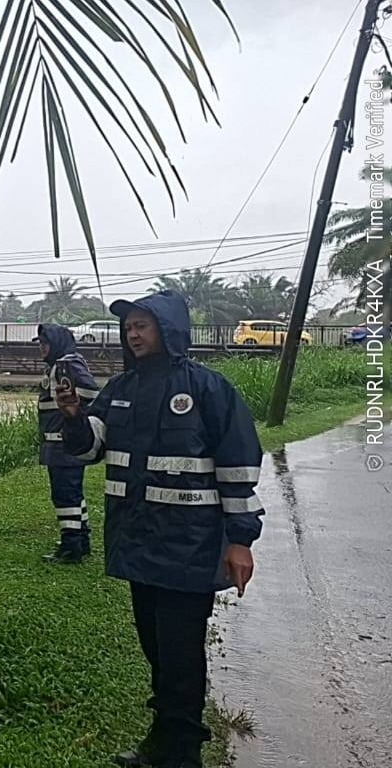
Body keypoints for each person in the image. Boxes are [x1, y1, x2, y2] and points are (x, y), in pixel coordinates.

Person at [55, 291, 263, 768]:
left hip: (189, 548)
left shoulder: (208, 389)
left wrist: (240, 541)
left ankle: (182, 751)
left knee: (180, 654)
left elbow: (237, 467)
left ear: (168, 329)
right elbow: (90, 449)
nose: (133, 334)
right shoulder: (119, 389)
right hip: (137, 544)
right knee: (155, 648)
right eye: (128, 327)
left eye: (142, 325)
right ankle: (163, 739)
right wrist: (74, 418)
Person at [35, 324, 99, 563]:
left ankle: (71, 546)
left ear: (57, 343)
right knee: (72, 493)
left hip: (63, 443)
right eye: (40, 343)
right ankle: (80, 540)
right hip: (60, 443)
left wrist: (73, 406)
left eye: (45, 343)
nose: (42, 348)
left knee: (65, 495)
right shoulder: (60, 364)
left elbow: (91, 391)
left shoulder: (66, 364)